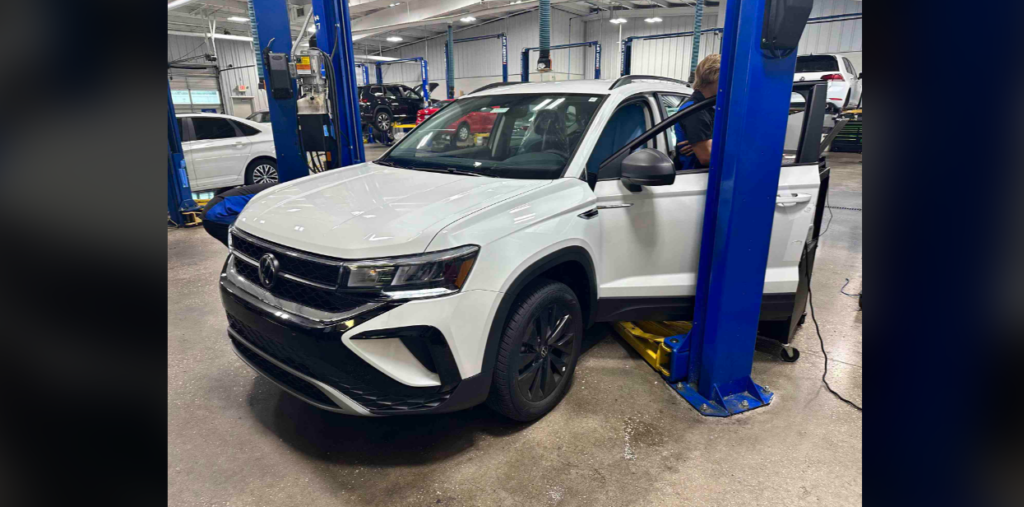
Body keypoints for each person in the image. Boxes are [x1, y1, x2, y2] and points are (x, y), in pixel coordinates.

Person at [674, 54, 721, 169]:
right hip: (693, 179)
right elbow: (707, 156)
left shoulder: (711, 107)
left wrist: (713, 143)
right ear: (714, 77)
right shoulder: (695, 110)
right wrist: (709, 145)